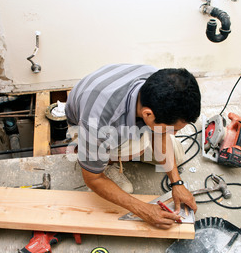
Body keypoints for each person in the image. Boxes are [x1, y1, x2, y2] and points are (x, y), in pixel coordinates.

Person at [65, 64, 201, 229]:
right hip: (86, 124)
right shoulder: (98, 122)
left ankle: (139, 142)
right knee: (127, 179)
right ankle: (100, 159)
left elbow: (161, 132)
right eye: (173, 129)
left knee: (177, 157)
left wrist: (177, 183)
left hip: (109, 105)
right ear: (147, 114)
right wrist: (144, 210)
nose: (174, 134)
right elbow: (92, 179)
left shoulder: (159, 81)